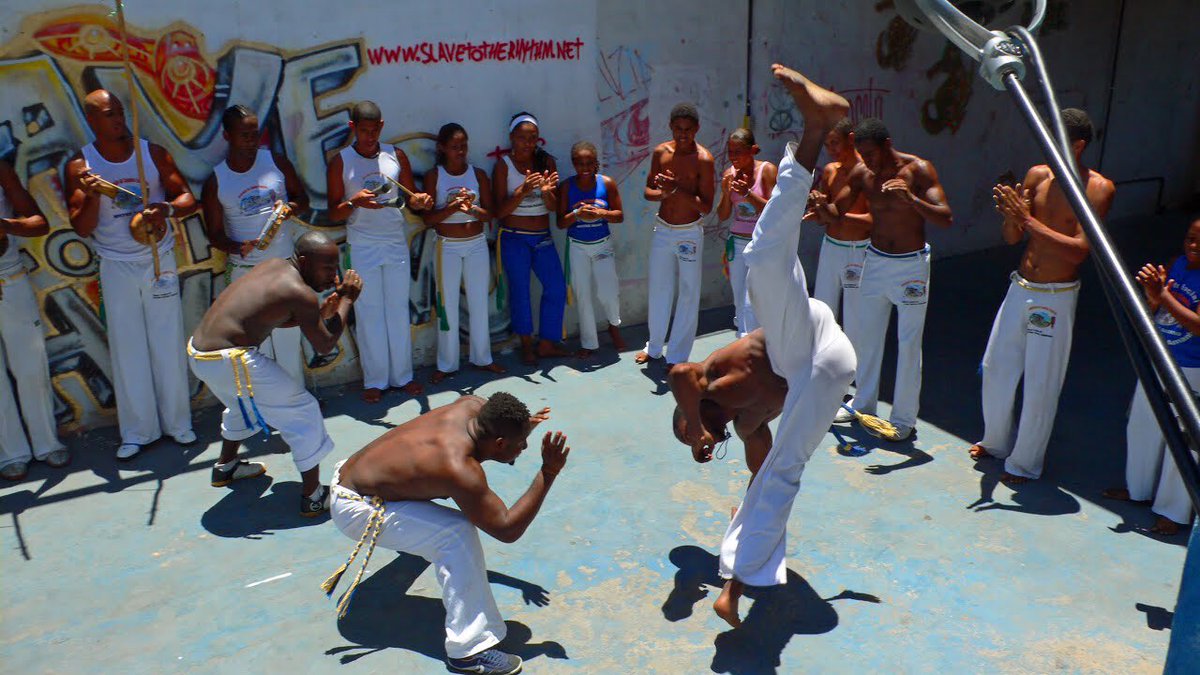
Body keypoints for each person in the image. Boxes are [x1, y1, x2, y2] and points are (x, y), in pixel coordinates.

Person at [674, 65, 855, 628]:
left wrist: (694, 426)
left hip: (801, 333)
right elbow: (761, 469)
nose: (711, 437)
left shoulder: (711, 379)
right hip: (820, 366)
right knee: (778, 476)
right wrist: (749, 512)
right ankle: (734, 584)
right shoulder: (748, 422)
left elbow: (680, 373)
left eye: (699, 429)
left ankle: (814, 133)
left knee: (760, 261)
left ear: (701, 411)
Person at [326, 392, 567, 675]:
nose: (524, 446)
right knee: (456, 534)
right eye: (520, 443)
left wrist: (519, 426)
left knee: (437, 519)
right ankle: (469, 652)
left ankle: (414, 541)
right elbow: (507, 528)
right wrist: (548, 472)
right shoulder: (458, 468)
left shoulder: (474, 406)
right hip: (355, 508)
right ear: (500, 443)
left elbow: (492, 433)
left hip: (353, 473)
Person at [969, 108, 1115, 483]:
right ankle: (997, 442)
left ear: (1079, 145)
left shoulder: (1098, 189)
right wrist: (1011, 215)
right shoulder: (1037, 175)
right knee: (995, 367)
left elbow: (1081, 250)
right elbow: (1012, 238)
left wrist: (1029, 221)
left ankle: (1024, 463)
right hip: (1020, 286)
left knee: (1040, 382)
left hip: (1056, 295)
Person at [64, 89, 199, 461]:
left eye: (120, 112)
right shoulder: (82, 166)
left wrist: (165, 209)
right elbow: (81, 227)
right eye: (109, 114)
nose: (118, 120)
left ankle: (178, 423)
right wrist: (92, 196)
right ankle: (138, 432)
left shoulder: (150, 153)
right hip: (116, 264)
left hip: (158, 257)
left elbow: (187, 198)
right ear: (92, 120)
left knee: (167, 339)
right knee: (127, 348)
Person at [188, 231, 360, 516]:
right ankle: (313, 496)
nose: (334, 275)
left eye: (335, 267)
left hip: (200, 354)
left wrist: (323, 312)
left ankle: (226, 467)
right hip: (231, 359)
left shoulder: (274, 267)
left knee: (241, 402)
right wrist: (347, 301)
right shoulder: (299, 292)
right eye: (327, 268)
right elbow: (324, 344)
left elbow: (276, 316)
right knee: (303, 410)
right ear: (304, 261)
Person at [833, 117, 953, 441]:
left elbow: (946, 217)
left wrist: (912, 200)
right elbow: (835, 210)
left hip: (911, 267)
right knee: (867, 339)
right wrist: (818, 207)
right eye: (862, 154)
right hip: (875, 262)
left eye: (871, 154)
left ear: (887, 145)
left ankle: (903, 421)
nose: (867, 161)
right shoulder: (862, 173)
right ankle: (863, 404)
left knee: (908, 344)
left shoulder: (918, 170)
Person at [326, 101, 433, 403]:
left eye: (374, 131)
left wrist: (421, 201)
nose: (370, 137)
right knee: (369, 312)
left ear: (382, 126)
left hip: (394, 242)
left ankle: (403, 376)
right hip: (362, 245)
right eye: (363, 131)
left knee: (397, 310)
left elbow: (411, 199)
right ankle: (375, 381)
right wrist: (353, 203)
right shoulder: (341, 162)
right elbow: (333, 213)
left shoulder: (394, 156)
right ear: (352, 128)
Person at [1103, 217, 1200, 534]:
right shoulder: (1178, 264)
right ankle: (1139, 490)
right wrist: (1152, 293)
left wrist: (1164, 295)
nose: (1192, 246)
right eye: (1189, 238)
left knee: (1185, 441)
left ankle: (1174, 512)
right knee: (1143, 425)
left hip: (1192, 370)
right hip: (1160, 359)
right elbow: (1156, 307)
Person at [202, 104, 310, 387]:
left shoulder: (275, 162)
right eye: (245, 135)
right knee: (251, 346)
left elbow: (303, 200)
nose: (252, 141)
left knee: (288, 340)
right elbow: (213, 234)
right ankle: (263, 406)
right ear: (227, 136)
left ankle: (296, 400)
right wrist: (237, 247)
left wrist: (289, 208)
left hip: (283, 269)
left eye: (255, 134)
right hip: (245, 273)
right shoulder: (217, 180)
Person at [0, 160, 69, 480]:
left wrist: (6, 226)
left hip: (10, 281)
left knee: (30, 366)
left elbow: (39, 223)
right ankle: (10, 452)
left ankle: (46, 443)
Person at [422, 123, 505, 383]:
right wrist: (451, 208)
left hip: (476, 244)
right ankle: (447, 364)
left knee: (479, 302)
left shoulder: (477, 174)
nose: (460, 152)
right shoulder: (435, 176)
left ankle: (483, 358)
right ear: (442, 148)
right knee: (447, 305)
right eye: (455, 147)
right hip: (446, 246)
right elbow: (428, 219)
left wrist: (470, 209)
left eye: (464, 146)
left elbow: (489, 214)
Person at [634, 103, 715, 367]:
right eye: (678, 129)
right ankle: (654, 347)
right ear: (671, 127)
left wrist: (676, 190)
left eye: (688, 130)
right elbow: (649, 192)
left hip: (689, 233)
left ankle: (678, 356)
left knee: (689, 293)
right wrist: (664, 194)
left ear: (697, 129)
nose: (683, 135)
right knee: (659, 288)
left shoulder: (704, 159)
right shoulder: (661, 152)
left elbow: (706, 206)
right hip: (663, 230)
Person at [493, 112, 569, 365]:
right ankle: (526, 344)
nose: (528, 142)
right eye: (522, 137)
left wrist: (547, 192)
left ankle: (547, 342)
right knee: (521, 292)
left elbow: (552, 207)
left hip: (542, 237)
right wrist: (522, 191)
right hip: (514, 238)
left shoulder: (546, 162)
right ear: (512, 137)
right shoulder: (503, 165)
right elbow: (498, 212)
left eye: (533, 137)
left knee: (556, 287)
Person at [804, 117, 872, 346]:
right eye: (826, 145)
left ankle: (854, 370)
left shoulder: (869, 173)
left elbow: (873, 220)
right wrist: (818, 208)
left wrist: (835, 214)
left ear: (850, 139)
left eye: (835, 143)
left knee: (855, 317)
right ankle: (822, 366)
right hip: (831, 248)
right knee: (822, 311)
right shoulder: (830, 171)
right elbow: (824, 218)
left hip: (858, 252)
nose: (831, 150)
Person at [557, 140, 627, 357]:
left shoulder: (606, 183)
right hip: (577, 247)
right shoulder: (567, 187)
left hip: (602, 245)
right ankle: (589, 343)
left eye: (589, 163)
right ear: (573, 164)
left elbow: (619, 216)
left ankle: (614, 326)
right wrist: (577, 214)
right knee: (583, 294)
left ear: (596, 163)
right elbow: (560, 222)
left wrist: (600, 214)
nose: (585, 168)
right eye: (580, 163)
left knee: (608, 291)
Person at [716, 129, 777, 337]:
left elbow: (775, 211)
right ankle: (745, 338)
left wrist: (747, 194)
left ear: (753, 150)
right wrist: (725, 193)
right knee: (739, 296)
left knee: (755, 297)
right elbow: (723, 215)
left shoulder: (767, 171)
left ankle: (754, 339)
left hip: (761, 244)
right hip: (738, 243)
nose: (733, 157)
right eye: (730, 152)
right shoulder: (728, 175)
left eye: (738, 152)